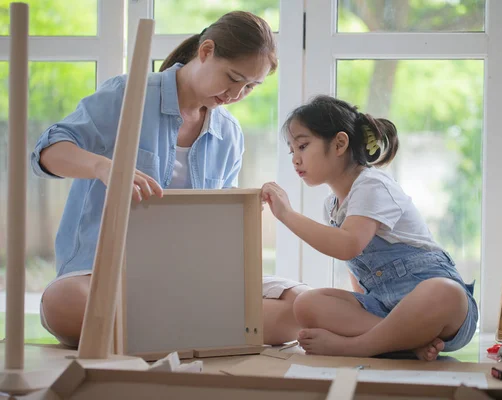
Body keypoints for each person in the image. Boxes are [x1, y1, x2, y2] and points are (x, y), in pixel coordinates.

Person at [31, 11, 308, 348]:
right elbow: (46, 152)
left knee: (301, 305)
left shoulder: (229, 133)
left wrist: (246, 208)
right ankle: (196, 326)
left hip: (186, 279)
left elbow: (216, 225)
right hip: (102, 276)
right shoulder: (128, 93)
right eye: (233, 77)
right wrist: (103, 167)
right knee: (65, 305)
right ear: (205, 52)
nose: (236, 94)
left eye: (250, 86)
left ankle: (164, 326)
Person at [261, 95, 478, 360]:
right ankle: (405, 341)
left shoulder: (372, 184)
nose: (295, 159)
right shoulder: (332, 205)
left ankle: (358, 347)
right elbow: (359, 272)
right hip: (383, 310)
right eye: (292, 151)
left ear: (340, 143)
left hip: (439, 314)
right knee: (306, 303)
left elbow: (348, 245)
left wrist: (286, 214)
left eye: (303, 146)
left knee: (446, 292)